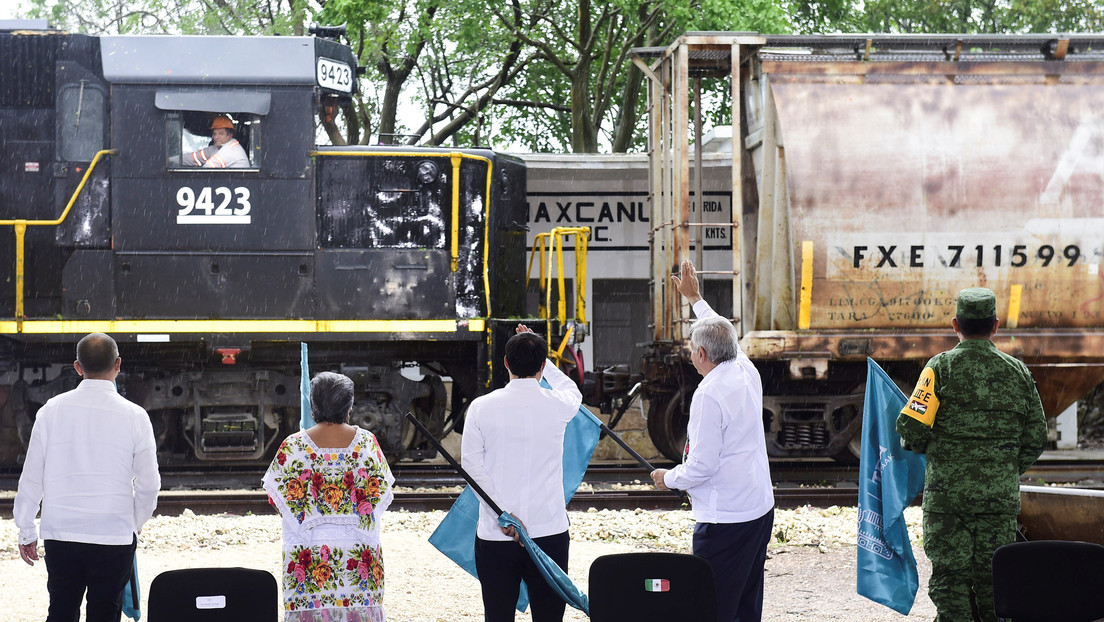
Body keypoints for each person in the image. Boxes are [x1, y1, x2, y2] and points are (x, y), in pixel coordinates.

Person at [896, 287, 1047, 622]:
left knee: (950, 583)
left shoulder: (940, 369)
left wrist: (939, 454)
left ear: (955, 325)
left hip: (948, 502)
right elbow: (1037, 437)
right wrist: (1003, 468)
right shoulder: (1018, 372)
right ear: (995, 325)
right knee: (996, 583)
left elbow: (912, 430)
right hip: (998, 501)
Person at [650, 259, 775, 622]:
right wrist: (695, 299)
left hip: (726, 523)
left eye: (692, 349)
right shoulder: (743, 367)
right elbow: (722, 333)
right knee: (747, 606)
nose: (690, 354)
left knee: (713, 608)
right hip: (758, 510)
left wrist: (667, 478)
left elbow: (701, 467)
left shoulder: (709, 394)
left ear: (702, 355)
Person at [13, 332, 161, 622]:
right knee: (106, 612)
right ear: (118, 364)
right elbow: (149, 484)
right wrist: (135, 522)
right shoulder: (136, 416)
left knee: (61, 610)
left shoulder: (50, 412)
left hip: (61, 534)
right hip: (113, 536)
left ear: (78, 367)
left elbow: (31, 477)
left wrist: (26, 528)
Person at [461, 325, 583, 622]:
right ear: (542, 365)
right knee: (549, 617)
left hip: (496, 534)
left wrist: (503, 514)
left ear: (505, 363)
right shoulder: (558, 405)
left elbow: (472, 467)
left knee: (498, 616)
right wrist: (544, 359)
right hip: (548, 533)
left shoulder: (481, 407)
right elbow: (572, 389)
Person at [263, 371, 395, 622]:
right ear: (349, 407)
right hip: (360, 570)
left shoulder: (292, 446)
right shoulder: (368, 443)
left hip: (310, 566)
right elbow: (381, 495)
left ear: (313, 406)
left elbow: (277, 501)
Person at [184, 114, 250, 168]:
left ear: (230, 135)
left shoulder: (231, 150)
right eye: (214, 133)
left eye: (221, 133)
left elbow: (205, 171)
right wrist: (174, 160)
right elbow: (194, 157)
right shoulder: (216, 148)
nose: (216, 137)